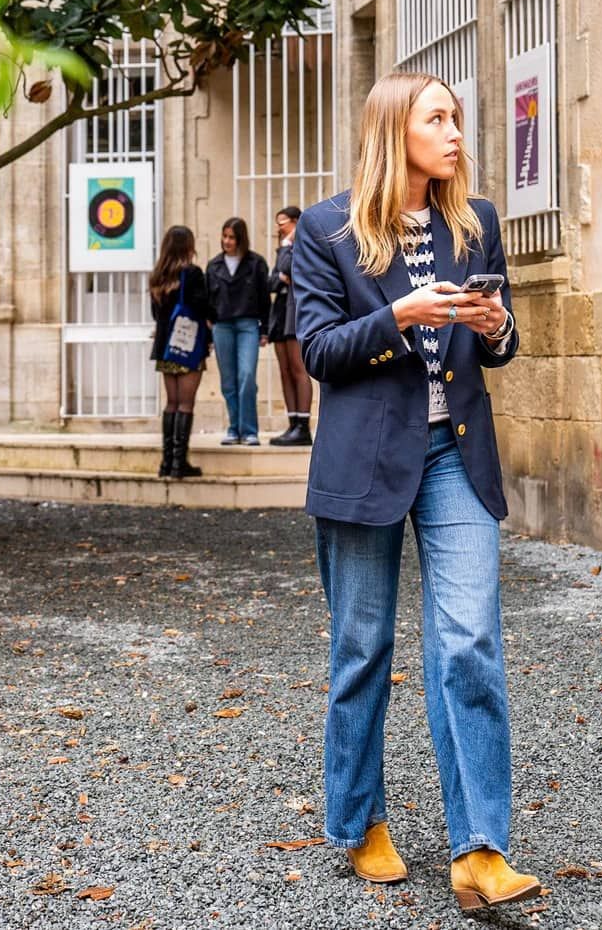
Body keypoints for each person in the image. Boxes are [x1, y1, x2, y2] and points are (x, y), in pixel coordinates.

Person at [293, 72, 539, 910]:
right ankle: (359, 819)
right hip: (363, 465)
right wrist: (401, 315)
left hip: (455, 457)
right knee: (363, 647)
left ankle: (480, 849)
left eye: (459, 118)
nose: (456, 132)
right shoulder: (327, 230)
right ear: (394, 129)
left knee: (469, 639)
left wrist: (498, 328)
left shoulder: (477, 226)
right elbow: (318, 350)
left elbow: (498, 344)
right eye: (438, 118)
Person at [149, 225, 212, 480]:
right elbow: (202, 306)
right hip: (187, 345)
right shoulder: (193, 273)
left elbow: (156, 314)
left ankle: (166, 461)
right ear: (188, 246)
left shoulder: (158, 277)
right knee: (186, 404)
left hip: (165, 347)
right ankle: (179, 463)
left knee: (172, 403)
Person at [207, 216, 272, 446]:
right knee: (228, 381)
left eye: (232, 237)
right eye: (224, 236)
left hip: (248, 325)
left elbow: (265, 298)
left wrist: (265, 329)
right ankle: (234, 427)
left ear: (240, 238)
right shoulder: (214, 265)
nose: (227, 241)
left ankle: (249, 430)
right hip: (222, 326)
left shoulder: (256, 263)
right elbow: (208, 301)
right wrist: (209, 333)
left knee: (246, 376)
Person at [266, 206, 313, 446]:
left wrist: (286, 249)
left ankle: (303, 426)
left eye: (282, 222)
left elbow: (288, 268)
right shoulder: (283, 248)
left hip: (296, 312)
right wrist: (284, 275)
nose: (278, 228)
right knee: (284, 370)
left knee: (298, 368)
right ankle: (292, 422)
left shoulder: (300, 245)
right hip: (281, 312)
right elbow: (273, 280)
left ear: (296, 222)